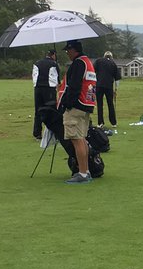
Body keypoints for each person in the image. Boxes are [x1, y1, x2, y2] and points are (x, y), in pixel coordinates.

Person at [57, 39, 97, 183]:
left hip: (77, 105)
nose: (67, 53)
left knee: (76, 139)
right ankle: (85, 171)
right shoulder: (88, 62)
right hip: (86, 104)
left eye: (68, 50)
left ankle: (83, 173)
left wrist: (67, 104)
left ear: (74, 50)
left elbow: (74, 86)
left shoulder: (78, 63)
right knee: (82, 139)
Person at [32, 48, 60, 139]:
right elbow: (56, 77)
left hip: (37, 89)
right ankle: (54, 132)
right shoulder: (54, 64)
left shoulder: (37, 63)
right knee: (52, 111)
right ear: (53, 55)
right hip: (49, 89)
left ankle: (37, 133)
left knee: (38, 111)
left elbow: (34, 76)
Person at [94, 49, 120, 128]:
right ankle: (113, 122)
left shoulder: (98, 61)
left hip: (99, 85)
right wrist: (116, 89)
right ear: (111, 57)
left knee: (100, 104)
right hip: (109, 86)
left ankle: (100, 122)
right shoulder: (113, 63)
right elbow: (117, 79)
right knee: (110, 104)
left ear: (104, 56)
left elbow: (92, 71)